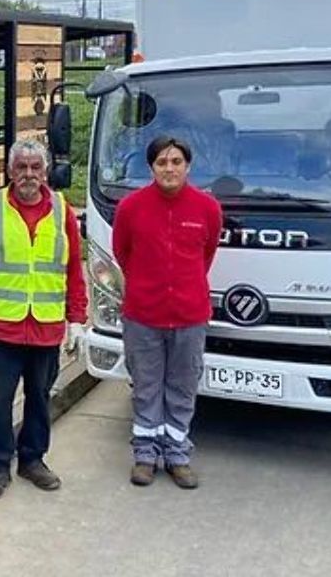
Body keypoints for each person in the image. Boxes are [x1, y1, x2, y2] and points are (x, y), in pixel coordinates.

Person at [0, 139, 88, 502]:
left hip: (45, 328)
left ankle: (33, 459)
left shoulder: (63, 211)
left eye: (35, 167)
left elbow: (73, 269)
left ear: (45, 171)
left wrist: (77, 319)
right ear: (10, 171)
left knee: (40, 397)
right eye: (21, 168)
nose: (29, 175)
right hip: (1, 328)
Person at [112, 136, 223, 489]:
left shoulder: (207, 209)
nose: (169, 168)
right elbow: (123, 253)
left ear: (188, 166)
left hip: (190, 315)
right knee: (146, 386)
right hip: (143, 315)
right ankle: (145, 455)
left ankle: (177, 456)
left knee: (182, 386)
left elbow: (206, 255)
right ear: (151, 168)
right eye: (162, 162)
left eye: (176, 161)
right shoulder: (131, 208)